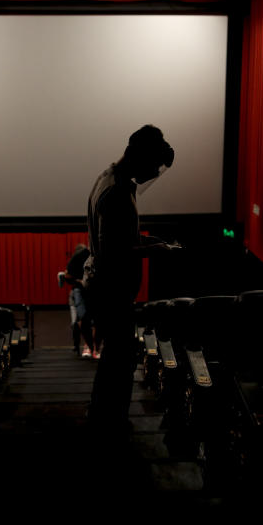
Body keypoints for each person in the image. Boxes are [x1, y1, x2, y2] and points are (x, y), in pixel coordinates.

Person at [83, 124, 177, 438]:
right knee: (119, 362)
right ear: (138, 155)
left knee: (115, 359)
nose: (152, 174)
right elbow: (115, 252)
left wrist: (152, 243)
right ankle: (109, 425)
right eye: (152, 166)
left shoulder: (109, 178)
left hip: (107, 286)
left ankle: (103, 419)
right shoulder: (116, 192)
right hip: (112, 290)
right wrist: (157, 250)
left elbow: (122, 239)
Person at [60, 243, 97, 358]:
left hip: (86, 292)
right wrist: (79, 281)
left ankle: (88, 347)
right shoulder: (78, 260)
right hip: (80, 292)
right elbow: (66, 276)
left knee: (84, 320)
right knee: (81, 320)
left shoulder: (90, 258)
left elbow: (65, 276)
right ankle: (86, 347)